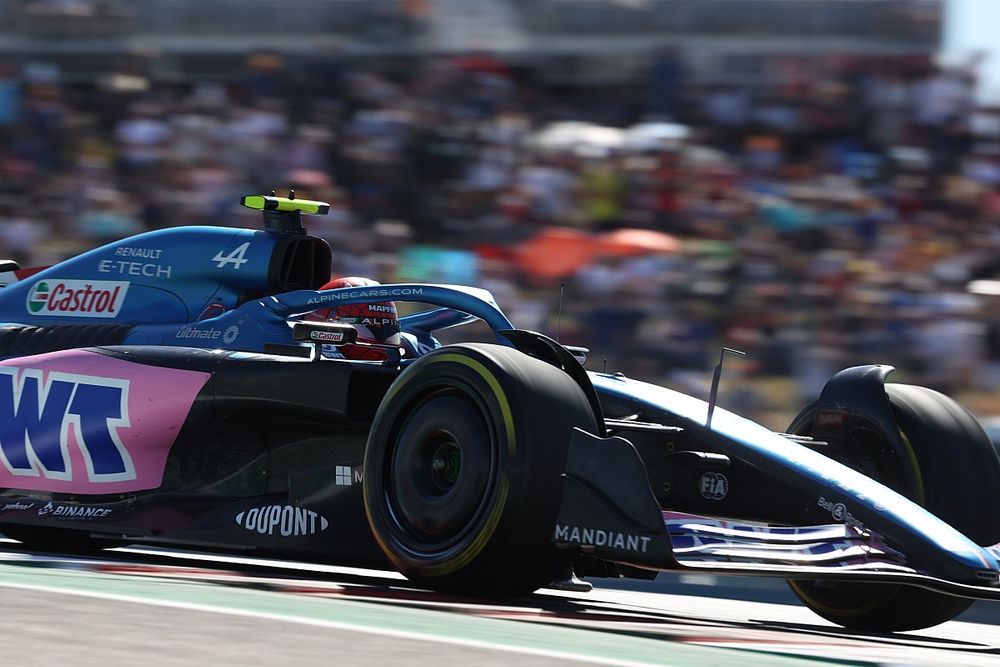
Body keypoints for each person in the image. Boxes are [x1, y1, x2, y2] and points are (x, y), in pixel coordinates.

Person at [307, 276, 401, 360]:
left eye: (388, 331)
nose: (382, 339)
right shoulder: (299, 356)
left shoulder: (409, 349)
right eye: (365, 328)